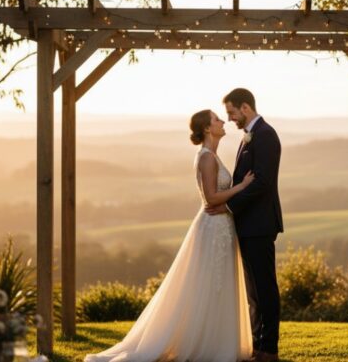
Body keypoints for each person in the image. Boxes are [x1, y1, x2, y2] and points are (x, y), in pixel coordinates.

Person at [84, 109, 254, 362]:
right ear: (208, 129)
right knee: (209, 283)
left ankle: (218, 342)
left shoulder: (213, 156)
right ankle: (204, 344)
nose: (222, 122)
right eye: (217, 119)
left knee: (217, 284)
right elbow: (211, 198)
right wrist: (241, 186)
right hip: (213, 227)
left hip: (222, 226)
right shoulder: (206, 158)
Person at [205, 88, 283, 362]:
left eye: (232, 113)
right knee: (254, 292)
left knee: (265, 288)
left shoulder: (265, 136)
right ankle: (258, 346)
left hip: (260, 224)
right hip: (248, 224)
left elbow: (262, 182)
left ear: (246, 108)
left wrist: (228, 206)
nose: (230, 119)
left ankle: (269, 349)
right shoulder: (250, 136)